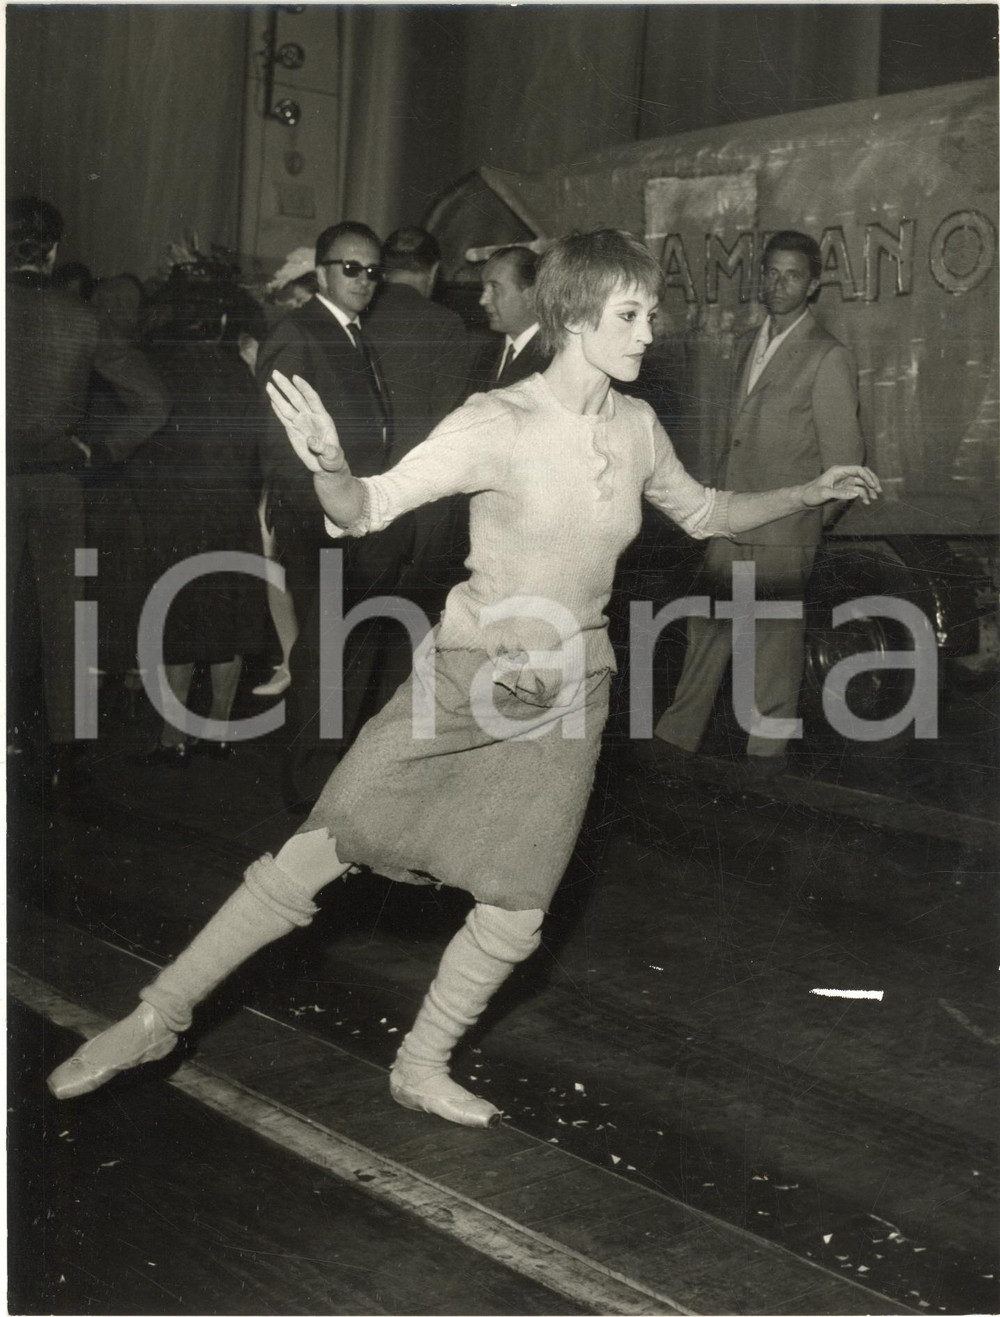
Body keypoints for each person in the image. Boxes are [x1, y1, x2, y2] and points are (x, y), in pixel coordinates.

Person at [47, 228, 880, 1126]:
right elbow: (368, 507)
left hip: (570, 695)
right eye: (631, 313)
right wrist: (330, 468)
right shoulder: (498, 422)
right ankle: (157, 1015)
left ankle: (421, 1063)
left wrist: (806, 490)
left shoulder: (636, 428)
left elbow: (708, 509)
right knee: (315, 852)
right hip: (467, 678)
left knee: (519, 908)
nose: (650, 330)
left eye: (649, 312)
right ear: (573, 316)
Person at [648, 230, 866, 774]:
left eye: (792, 275)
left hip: (784, 534)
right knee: (706, 636)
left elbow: (845, 464)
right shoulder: (750, 342)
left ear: (813, 284)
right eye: (770, 272)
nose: (778, 284)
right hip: (731, 523)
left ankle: (766, 772)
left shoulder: (827, 355)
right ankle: (671, 750)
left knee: (772, 659)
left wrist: (804, 531)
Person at [7, 197, 168, 788]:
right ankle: (66, 752)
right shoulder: (81, 316)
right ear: (52, 251)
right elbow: (153, 402)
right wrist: (99, 450)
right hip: (58, 485)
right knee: (64, 615)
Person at [254, 221, 408, 806]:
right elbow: (278, 449)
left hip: (360, 531)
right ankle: (309, 800)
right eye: (352, 268)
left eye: (373, 271)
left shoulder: (351, 333)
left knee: (349, 665)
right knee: (323, 666)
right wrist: (328, 525)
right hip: (325, 535)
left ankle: (332, 795)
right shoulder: (301, 332)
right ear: (320, 272)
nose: (364, 280)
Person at [129, 262, 266, 764]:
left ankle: (172, 738)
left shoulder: (158, 363)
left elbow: (143, 443)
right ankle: (221, 732)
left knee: (178, 623)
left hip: (176, 511)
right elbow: (258, 442)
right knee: (228, 621)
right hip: (231, 507)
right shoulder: (236, 366)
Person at [473, 245, 551, 390]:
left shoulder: (554, 358)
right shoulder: (486, 354)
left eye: (494, 288)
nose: (483, 300)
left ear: (530, 295)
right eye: (484, 288)